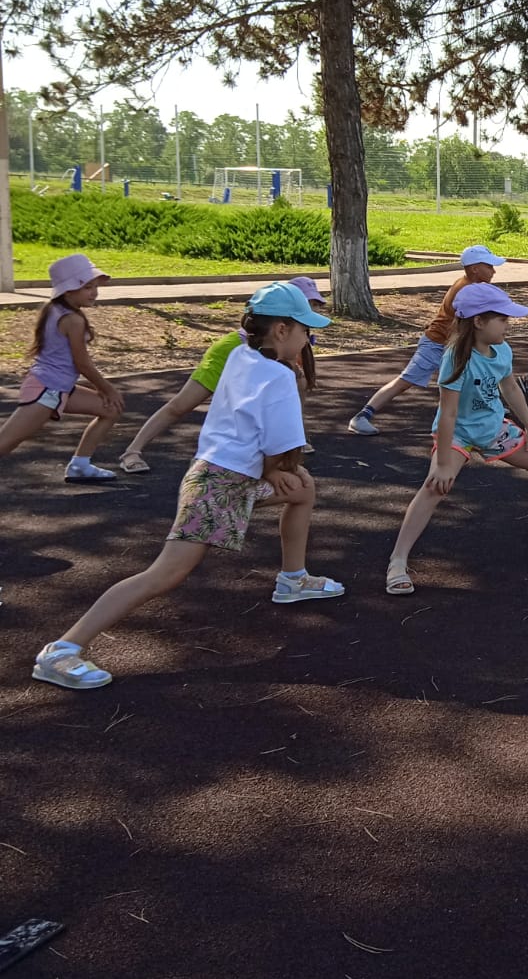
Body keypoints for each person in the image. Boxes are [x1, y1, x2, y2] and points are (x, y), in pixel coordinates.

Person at [31, 282, 345, 691]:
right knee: (164, 573)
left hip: (218, 474)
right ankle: (63, 649)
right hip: (221, 485)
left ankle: (293, 578)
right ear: (282, 330)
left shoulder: (239, 354)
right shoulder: (279, 376)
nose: (309, 337)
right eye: (305, 329)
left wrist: (277, 472)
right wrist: (274, 471)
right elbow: (280, 443)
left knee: (303, 488)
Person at [384, 284, 528, 594]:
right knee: (435, 486)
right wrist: (444, 462)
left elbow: (511, 388)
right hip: (459, 432)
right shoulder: (456, 359)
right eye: (502, 319)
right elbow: (447, 414)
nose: (508, 324)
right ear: (478, 322)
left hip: (491, 427)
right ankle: (397, 559)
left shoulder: (502, 349)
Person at [118, 276, 326, 473]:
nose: (313, 308)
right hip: (225, 353)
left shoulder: (297, 333)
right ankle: (132, 451)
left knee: (293, 386)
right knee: (181, 406)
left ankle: (286, 442)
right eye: (308, 302)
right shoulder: (266, 339)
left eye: (316, 303)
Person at [347, 245, 506, 435]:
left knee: (473, 376)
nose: (493, 271)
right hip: (437, 343)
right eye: (489, 266)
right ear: (474, 269)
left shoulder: (473, 287)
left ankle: (485, 408)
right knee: (405, 380)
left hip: (454, 344)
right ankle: (362, 416)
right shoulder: (466, 290)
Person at [0, 254, 125, 482]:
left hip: (59, 388)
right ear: (68, 290)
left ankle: (80, 466)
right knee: (5, 443)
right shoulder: (72, 320)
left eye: (95, 286)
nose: (94, 292)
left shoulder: (55, 309)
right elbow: (82, 362)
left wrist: (105, 392)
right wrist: (107, 388)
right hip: (47, 390)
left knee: (110, 410)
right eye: (87, 287)